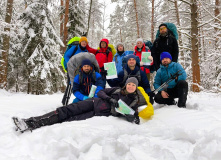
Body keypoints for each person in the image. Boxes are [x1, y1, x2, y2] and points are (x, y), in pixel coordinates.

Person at [13, 78, 143, 133]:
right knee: (66, 110)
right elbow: (101, 92)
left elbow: (134, 116)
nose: (131, 86)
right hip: (93, 103)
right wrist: (110, 100)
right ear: (126, 84)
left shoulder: (134, 100)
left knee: (68, 119)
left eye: (133, 85)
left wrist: (133, 117)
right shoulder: (116, 90)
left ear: (136, 87)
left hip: (96, 113)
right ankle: (32, 122)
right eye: (129, 84)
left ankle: (38, 125)